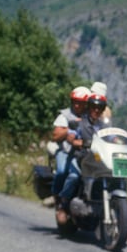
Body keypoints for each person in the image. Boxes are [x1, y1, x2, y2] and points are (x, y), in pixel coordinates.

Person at [56, 93, 108, 222]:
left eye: (100, 107)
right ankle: (63, 203)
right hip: (81, 157)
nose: (96, 110)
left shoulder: (104, 126)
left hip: (97, 160)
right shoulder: (79, 123)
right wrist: (80, 142)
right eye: (94, 106)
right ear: (89, 107)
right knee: (74, 177)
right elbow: (70, 138)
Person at [51, 86, 90, 224]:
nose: (77, 105)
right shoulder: (65, 115)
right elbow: (55, 135)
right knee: (64, 171)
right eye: (75, 101)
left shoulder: (90, 115)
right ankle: (59, 198)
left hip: (86, 153)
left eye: (80, 102)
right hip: (66, 151)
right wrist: (69, 129)